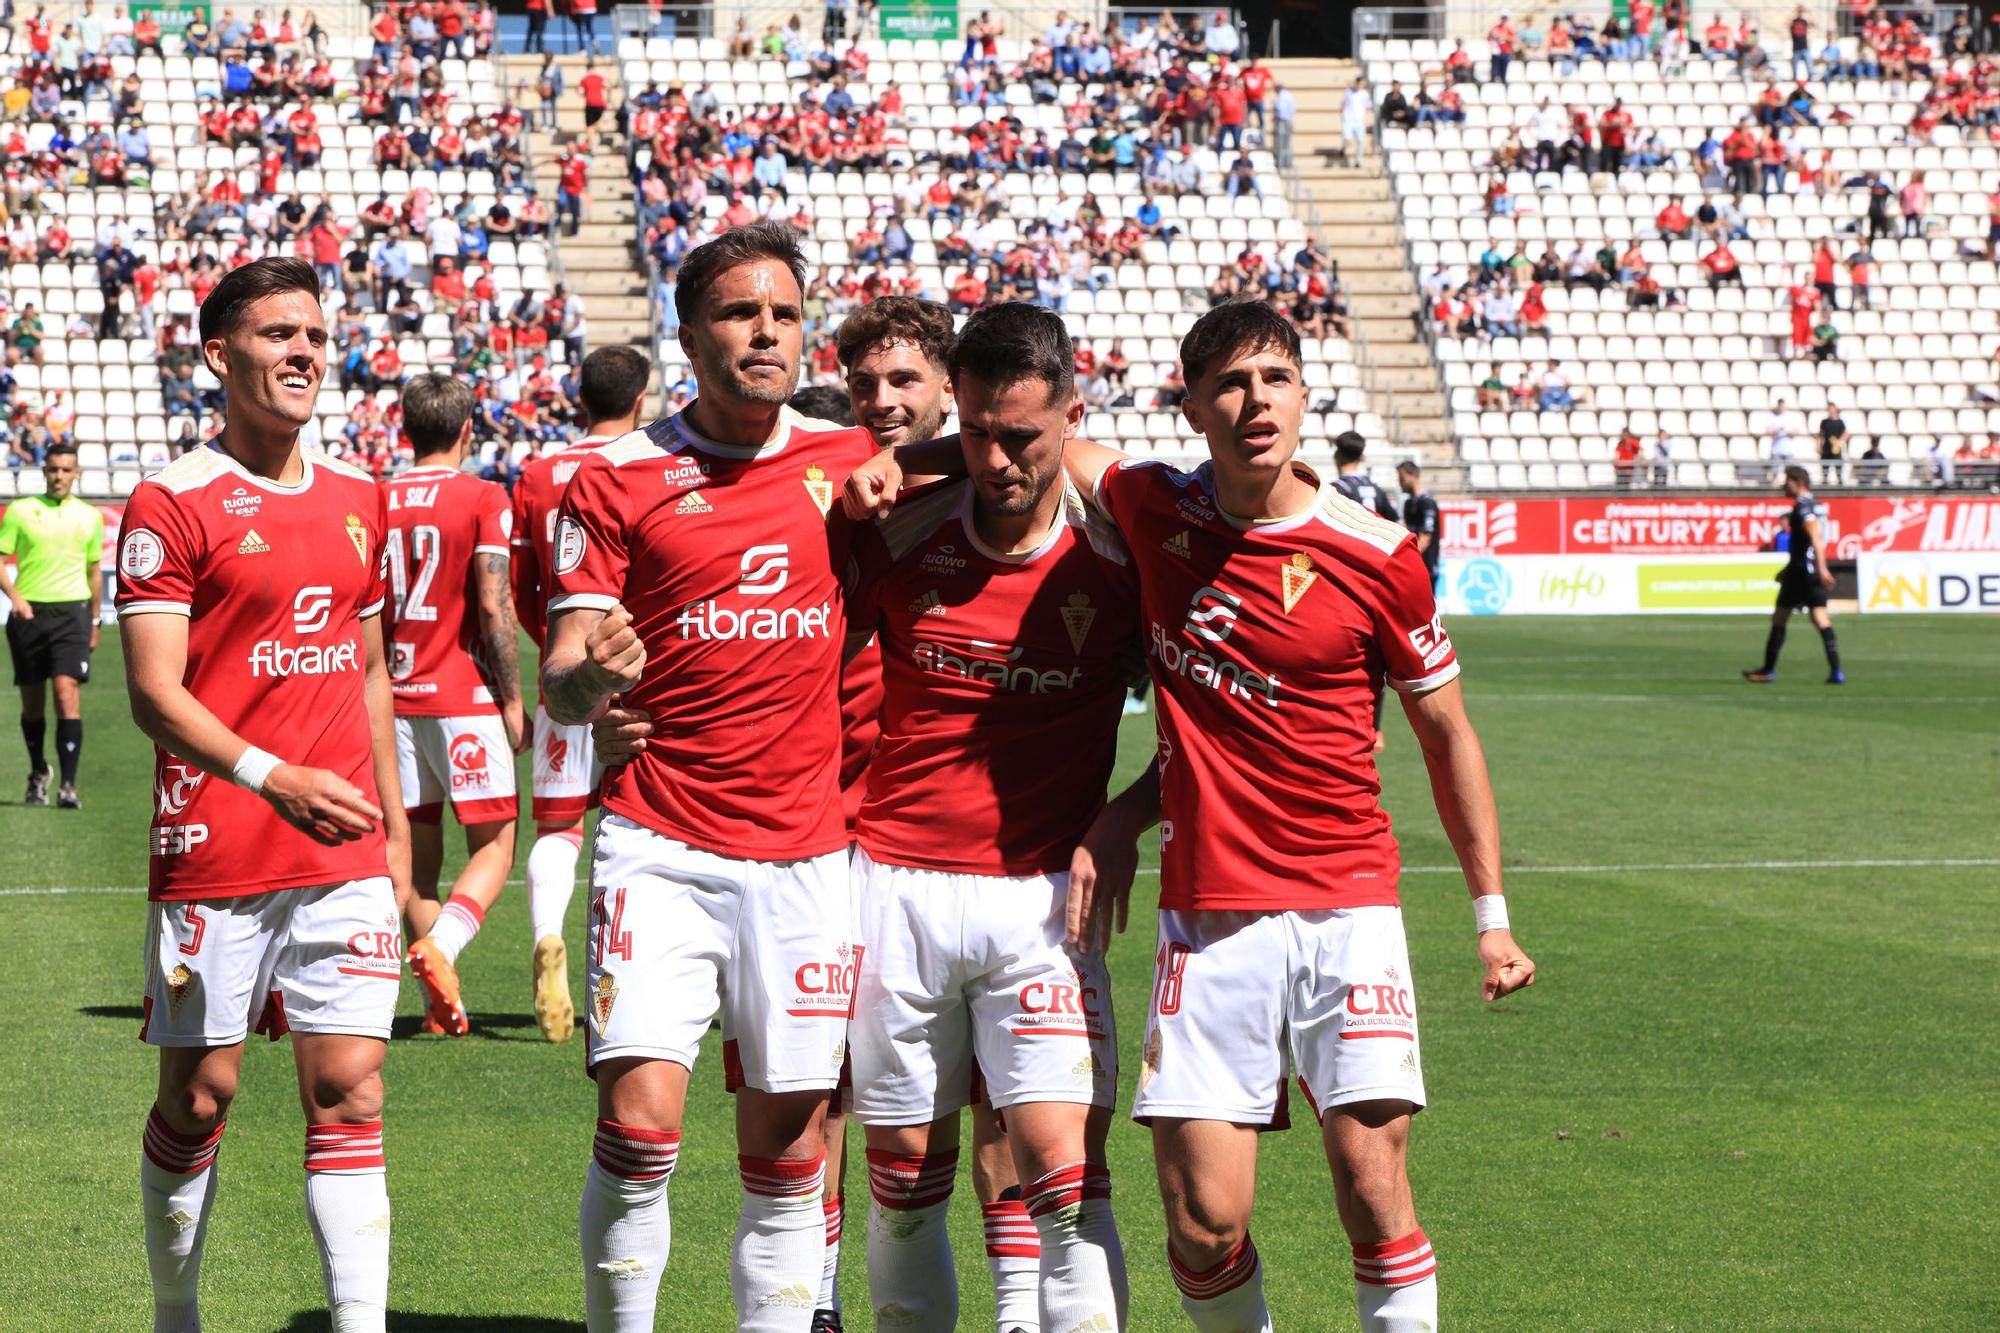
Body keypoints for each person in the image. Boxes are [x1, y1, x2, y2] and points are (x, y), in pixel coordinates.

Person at [842, 299, 1536, 1333]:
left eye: (1274, 381)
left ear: (1303, 395)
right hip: (1204, 920)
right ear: (1193, 405)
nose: (1255, 403)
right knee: (1202, 1220)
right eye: (1229, 385)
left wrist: (1489, 913)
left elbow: (1446, 736)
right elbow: (1023, 441)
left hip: (1348, 907)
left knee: (1370, 1181)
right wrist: (898, 460)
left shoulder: (1376, 552)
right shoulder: (1150, 509)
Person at [674, 301, 1141, 1332]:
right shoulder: (892, 527)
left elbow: (1210, 715)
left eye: (1021, 435)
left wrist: (1124, 816)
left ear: (1070, 415)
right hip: (889, 890)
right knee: (903, 1184)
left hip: (1041, 906)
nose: (997, 458)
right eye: (975, 433)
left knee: (1064, 1182)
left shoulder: (1120, 551)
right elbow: (749, 634)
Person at [539, 222, 880, 1332]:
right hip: (659, 842)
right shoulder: (618, 479)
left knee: (788, 1148)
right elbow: (561, 681)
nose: (766, 333)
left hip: (806, 855)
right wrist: (596, 684)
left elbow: (1021, 446)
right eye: (740, 313)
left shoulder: (847, 462)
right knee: (639, 1132)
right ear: (688, 334)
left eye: (783, 313)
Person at [115, 256, 409, 1333]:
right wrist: (268, 775)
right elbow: (152, 692)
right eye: (278, 333)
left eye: (316, 335)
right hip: (221, 838)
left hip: (340, 852)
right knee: (202, 1097)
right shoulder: (171, 500)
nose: (303, 353)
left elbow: (371, 668)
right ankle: (175, 1312)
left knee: (353, 1093)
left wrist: (392, 837)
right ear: (218, 353)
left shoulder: (356, 497)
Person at [508, 344, 652, 1045]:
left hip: (567, 673)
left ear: (578, 398)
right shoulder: (655, 463)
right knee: (644, 826)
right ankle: (623, 977)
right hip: (645, 674)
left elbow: (523, 582)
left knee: (559, 828)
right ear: (641, 399)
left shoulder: (537, 474)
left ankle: (546, 936)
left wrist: (556, 654)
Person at [382, 373, 525, 1038]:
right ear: (469, 429)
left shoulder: (376, 496)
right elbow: (494, 604)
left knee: (413, 853)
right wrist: (515, 698)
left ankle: (438, 1000)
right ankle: (444, 948)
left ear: (405, 429)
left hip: (394, 698)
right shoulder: (483, 494)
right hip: (462, 695)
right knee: (495, 841)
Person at [0, 440, 102, 807]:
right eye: (53, 469)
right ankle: (38, 771)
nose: (59, 476)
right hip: (28, 615)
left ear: (76, 473)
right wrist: (16, 597)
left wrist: (94, 620)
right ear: (44, 471)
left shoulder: (90, 516)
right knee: (32, 706)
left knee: (66, 693)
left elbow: (95, 573)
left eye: (65, 469)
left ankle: (69, 786)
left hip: (72, 614)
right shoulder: (21, 511)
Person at [1744, 465, 1843, 685]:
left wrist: (1822, 567)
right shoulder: (1817, 505)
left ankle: (1767, 670)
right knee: (1820, 619)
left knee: (1779, 619)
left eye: (1787, 481)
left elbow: (1815, 538)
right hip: (1807, 570)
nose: (1784, 485)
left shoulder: (1803, 507)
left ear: (1798, 481)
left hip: (1801, 573)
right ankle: (1836, 671)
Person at [1398, 459, 1441, 591]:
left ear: (1414, 476)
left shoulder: (1427, 502)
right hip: (1412, 564)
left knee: (1425, 609)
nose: (1400, 483)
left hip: (1426, 563)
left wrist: (1410, 557)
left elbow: (1426, 538)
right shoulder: (1408, 503)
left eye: (1402, 478)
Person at [1817, 404, 1847, 485]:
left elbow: (1845, 434)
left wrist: (1839, 442)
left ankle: (1840, 487)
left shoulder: (1840, 422)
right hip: (1826, 449)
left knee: (1839, 470)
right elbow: (1820, 435)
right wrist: (1818, 446)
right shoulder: (1824, 422)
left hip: (1836, 450)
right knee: (1825, 471)